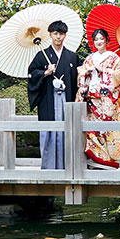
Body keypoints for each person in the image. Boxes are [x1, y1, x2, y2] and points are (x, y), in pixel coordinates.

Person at [27, 20, 80, 169]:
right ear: (50, 35)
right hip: (48, 100)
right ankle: (49, 166)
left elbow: (79, 80)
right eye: (55, 34)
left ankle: (69, 165)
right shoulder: (41, 56)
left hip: (67, 100)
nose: (58, 37)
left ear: (65, 35)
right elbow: (31, 74)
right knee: (49, 130)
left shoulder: (72, 57)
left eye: (61, 34)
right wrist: (45, 72)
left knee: (68, 129)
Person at [77, 28, 120, 167]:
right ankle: (97, 159)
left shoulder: (113, 57)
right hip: (92, 99)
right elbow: (81, 74)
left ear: (107, 40)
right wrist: (86, 72)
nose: (99, 42)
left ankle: (109, 160)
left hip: (106, 101)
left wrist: (104, 70)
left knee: (106, 128)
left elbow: (118, 77)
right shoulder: (89, 58)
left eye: (101, 39)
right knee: (92, 128)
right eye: (96, 40)